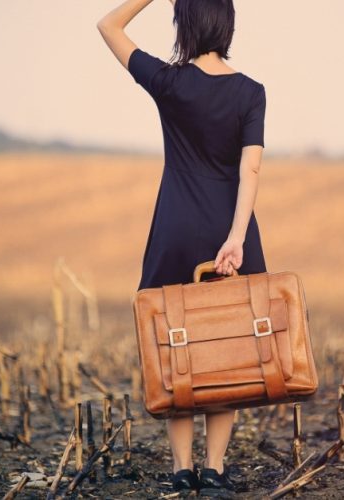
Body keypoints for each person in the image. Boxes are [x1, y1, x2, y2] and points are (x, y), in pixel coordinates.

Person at [97, 0, 267, 495]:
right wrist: (235, 238)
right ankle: (213, 469)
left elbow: (108, 25)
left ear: (184, 23)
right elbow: (249, 170)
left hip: (175, 229)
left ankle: (181, 469)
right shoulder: (250, 92)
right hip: (228, 230)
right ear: (227, 22)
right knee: (228, 351)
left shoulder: (168, 83)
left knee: (178, 352)